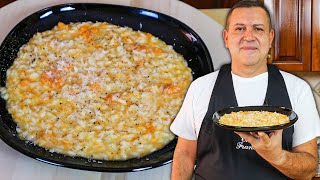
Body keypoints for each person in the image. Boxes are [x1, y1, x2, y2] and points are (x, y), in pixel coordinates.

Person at [170, 0, 320, 179]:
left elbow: (308, 170)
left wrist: (278, 157)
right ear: (226, 38)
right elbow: (185, 154)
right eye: (240, 28)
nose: (249, 36)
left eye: (258, 28)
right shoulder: (200, 87)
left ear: (270, 38)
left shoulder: (298, 90)